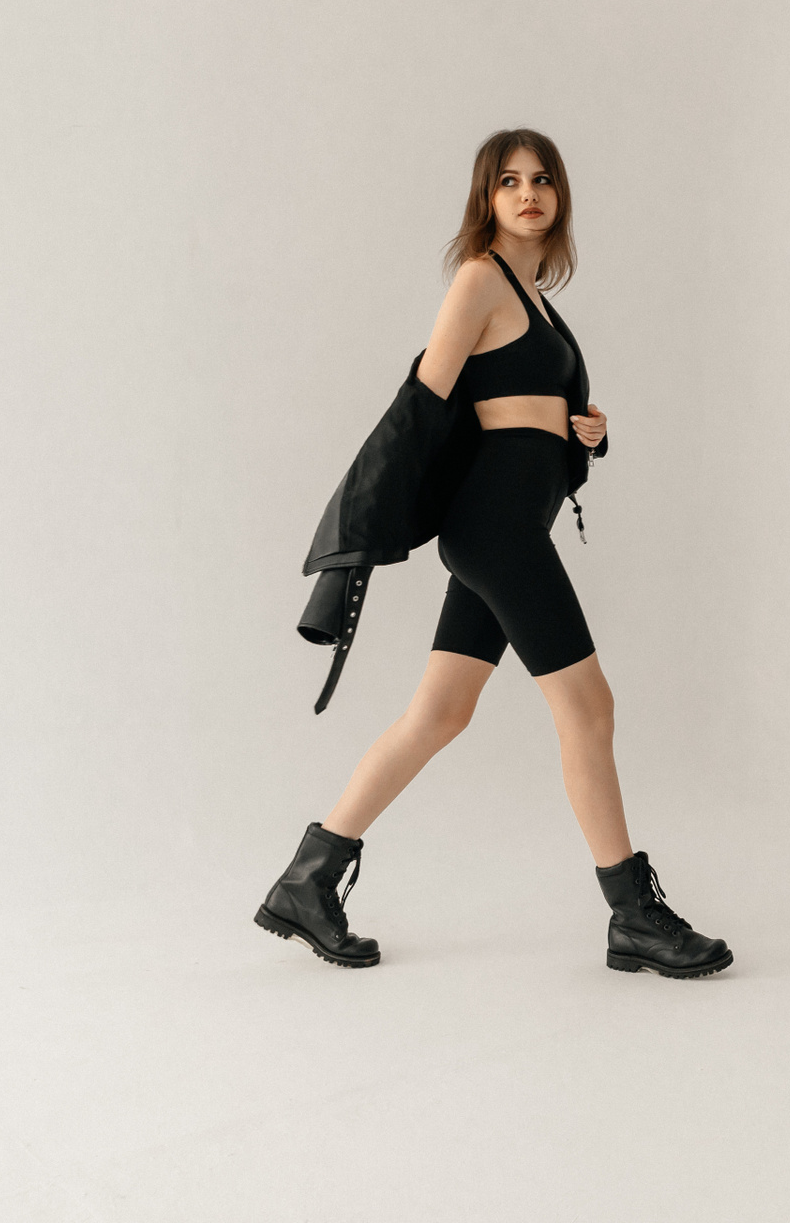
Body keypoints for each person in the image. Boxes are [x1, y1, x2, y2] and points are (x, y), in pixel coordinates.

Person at [254, 128, 733, 979]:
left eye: (541, 179)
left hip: (509, 531)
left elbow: (516, 414)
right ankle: (633, 916)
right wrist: (354, 538)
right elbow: (421, 408)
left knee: (439, 715)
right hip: (495, 535)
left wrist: (584, 431)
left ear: (560, 195)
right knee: (590, 708)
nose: (528, 194)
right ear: (486, 198)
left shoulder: (537, 300)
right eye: (508, 181)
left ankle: (307, 880)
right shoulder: (481, 279)